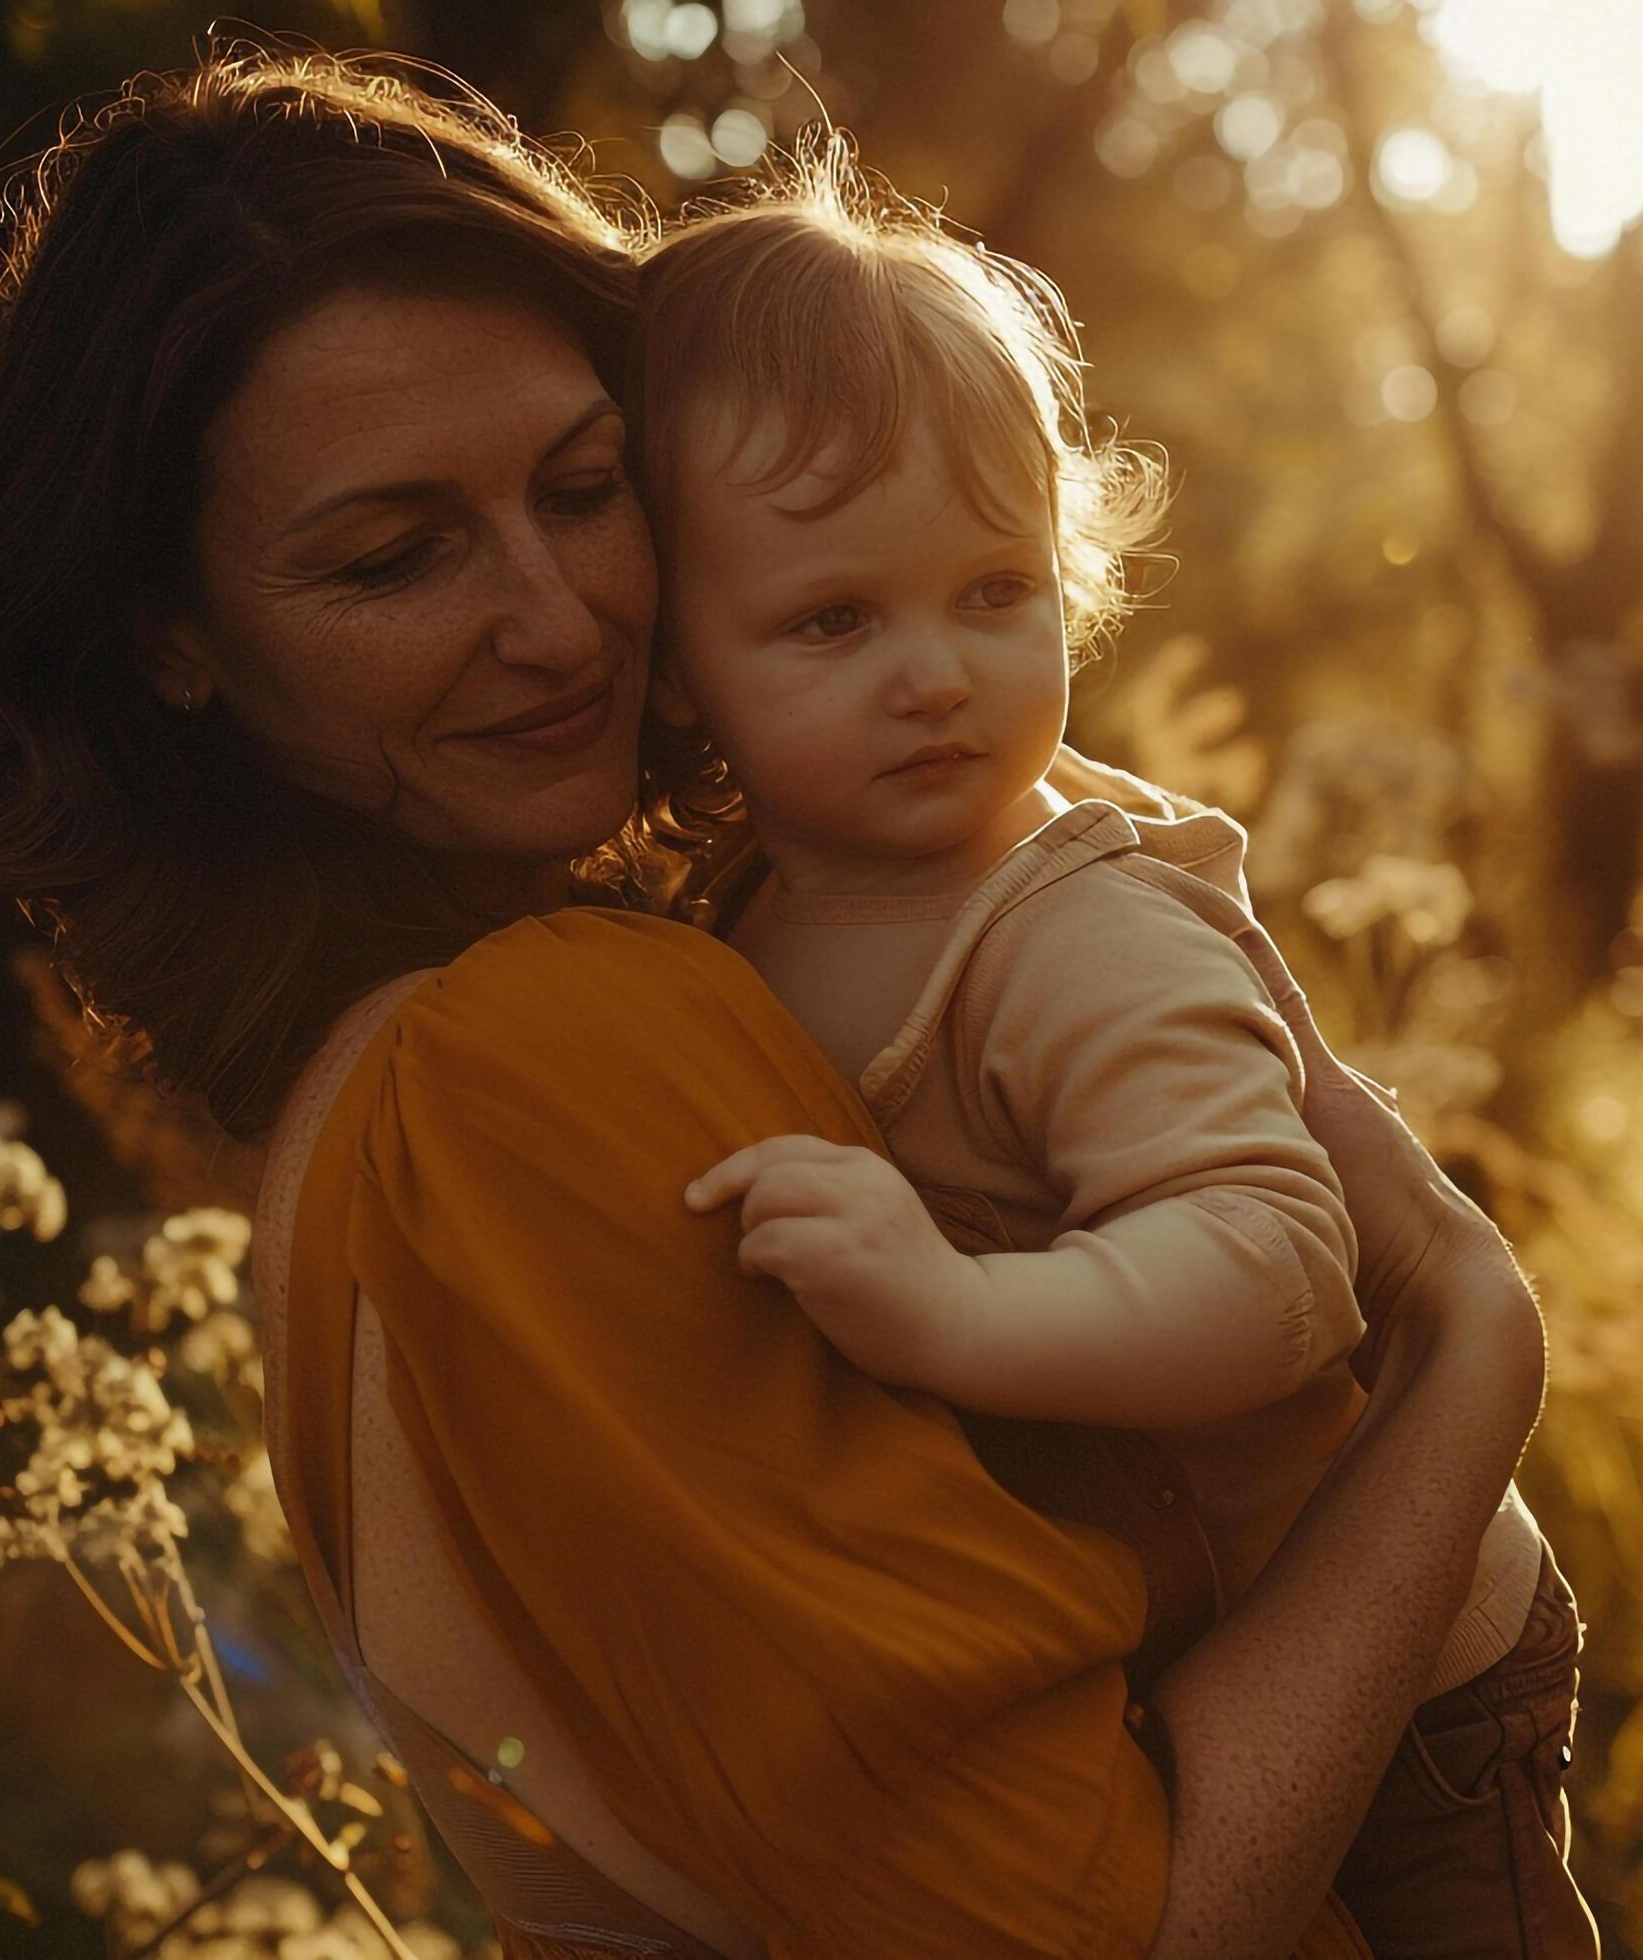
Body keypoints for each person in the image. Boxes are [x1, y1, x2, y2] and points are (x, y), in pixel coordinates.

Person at [0, 44, 1562, 1959]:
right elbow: (1103, 1930)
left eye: (585, 489)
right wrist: (1471, 1354)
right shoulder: (527, 1060)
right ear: (172, 641)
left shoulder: (523, 1020)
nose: (562, 615)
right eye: (396, 555)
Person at [634, 164, 1593, 1959]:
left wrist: (947, 1313)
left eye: (994, 591)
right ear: (679, 665)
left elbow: (1276, 1264)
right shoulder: (750, 907)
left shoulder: (1071, 929)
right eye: (834, 621)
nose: (936, 674)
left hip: (1407, 1687)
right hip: (1191, 1666)